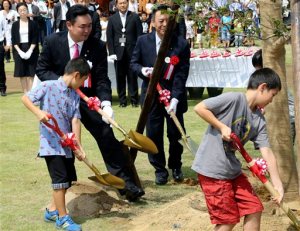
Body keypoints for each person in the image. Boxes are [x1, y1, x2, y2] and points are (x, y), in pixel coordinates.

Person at [36, 5, 144, 202]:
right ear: (69, 25)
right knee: (66, 143)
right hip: (62, 101)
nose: (87, 30)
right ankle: (68, 187)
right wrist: (64, 83)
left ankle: (127, 186)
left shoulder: (97, 46)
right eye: (82, 27)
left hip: (88, 100)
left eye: (90, 26)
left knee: (106, 136)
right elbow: (42, 70)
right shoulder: (53, 42)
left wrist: (105, 103)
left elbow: (102, 78)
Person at [192, 68, 284, 231]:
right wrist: (221, 126)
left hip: (232, 171)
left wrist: (277, 185)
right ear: (262, 87)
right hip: (212, 170)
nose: (272, 100)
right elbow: (199, 108)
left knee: (254, 208)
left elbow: (267, 152)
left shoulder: (259, 120)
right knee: (228, 220)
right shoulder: (233, 99)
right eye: (273, 95)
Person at [22, 57, 89, 231]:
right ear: (76, 75)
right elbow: (26, 98)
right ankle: (62, 218)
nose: (82, 85)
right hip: (51, 145)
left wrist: (78, 146)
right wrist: (38, 112)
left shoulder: (74, 95)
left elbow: (75, 120)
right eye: (82, 80)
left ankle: (52, 210)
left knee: (67, 181)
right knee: (59, 181)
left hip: (66, 146)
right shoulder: (48, 86)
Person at [130, 4, 190, 185]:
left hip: (173, 97)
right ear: (153, 23)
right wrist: (143, 70)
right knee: (154, 134)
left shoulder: (180, 43)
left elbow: (182, 73)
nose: (164, 24)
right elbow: (133, 63)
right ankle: (159, 169)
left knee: (176, 134)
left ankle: (176, 166)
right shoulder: (143, 41)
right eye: (161, 21)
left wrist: (176, 97)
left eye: (168, 20)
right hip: (151, 97)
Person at [107, 0, 142, 107]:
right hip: (118, 53)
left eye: (124, 3)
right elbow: (110, 36)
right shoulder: (112, 19)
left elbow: (139, 35)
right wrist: (112, 52)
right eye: (120, 3)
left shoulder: (134, 16)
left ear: (128, 4)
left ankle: (134, 100)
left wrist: (139, 52)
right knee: (120, 77)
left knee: (132, 77)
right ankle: (122, 101)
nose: (123, 5)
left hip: (132, 52)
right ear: (116, 5)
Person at [12, 2, 39, 94]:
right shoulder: (15, 24)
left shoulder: (33, 24)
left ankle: (31, 93)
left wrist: (30, 51)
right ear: (17, 12)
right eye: (20, 10)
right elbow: (14, 40)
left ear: (27, 10)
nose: (22, 12)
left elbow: (35, 38)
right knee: (22, 72)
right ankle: (25, 93)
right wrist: (20, 52)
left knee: (31, 72)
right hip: (19, 49)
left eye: (24, 10)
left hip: (31, 48)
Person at [0, 3, 11, 96]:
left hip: (0, 43)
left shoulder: (1, 15)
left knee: (0, 66)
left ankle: (2, 88)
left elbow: (6, 29)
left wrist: (8, 43)